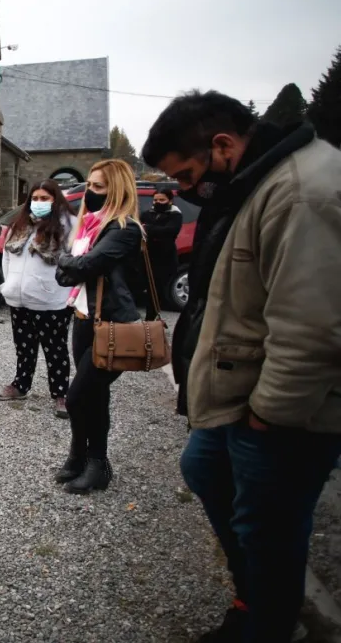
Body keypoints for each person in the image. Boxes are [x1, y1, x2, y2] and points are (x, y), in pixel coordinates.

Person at [142, 90, 341, 643]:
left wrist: (269, 418)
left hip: (279, 414)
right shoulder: (256, 184)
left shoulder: (302, 193)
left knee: (270, 526)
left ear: (223, 145)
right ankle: (255, 596)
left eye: (184, 176)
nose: (182, 192)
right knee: (205, 469)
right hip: (241, 394)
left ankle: (269, 623)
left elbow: (314, 332)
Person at [54, 159, 147, 495]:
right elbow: (69, 270)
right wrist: (72, 264)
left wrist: (71, 263)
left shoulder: (124, 228)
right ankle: (81, 459)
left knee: (78, 397)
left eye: (97, 187)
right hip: (83, 321)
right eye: (89, 185)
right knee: (95, 396)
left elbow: (87, 264)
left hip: (111, 325)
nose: (88, 193)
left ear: (116, 190)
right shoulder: (89, 225)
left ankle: (97, 462)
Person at [0, 180, 74, 419]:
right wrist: (10, 285)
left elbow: (76, 261)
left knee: (55, 349)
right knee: (24, 347)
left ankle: (61, 393)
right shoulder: (19, 225)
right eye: (35, 199)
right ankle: (21, 385)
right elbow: (7, 257)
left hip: (51, 300)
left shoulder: (67, 226)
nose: (39, 203)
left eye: (45, 198)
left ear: (55, 200)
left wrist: (68, 294)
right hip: (20, 298)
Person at [141, 187, 182, 303]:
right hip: (148, 256)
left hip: (165, 258)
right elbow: (139, 227)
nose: (157, 203)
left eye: (161, 200)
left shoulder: (175, 215)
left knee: (158, 290)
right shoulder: (147, 213)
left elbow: (170, 230)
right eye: (155, 200)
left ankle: (154, 317)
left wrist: (149, 229)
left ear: (170, 201)